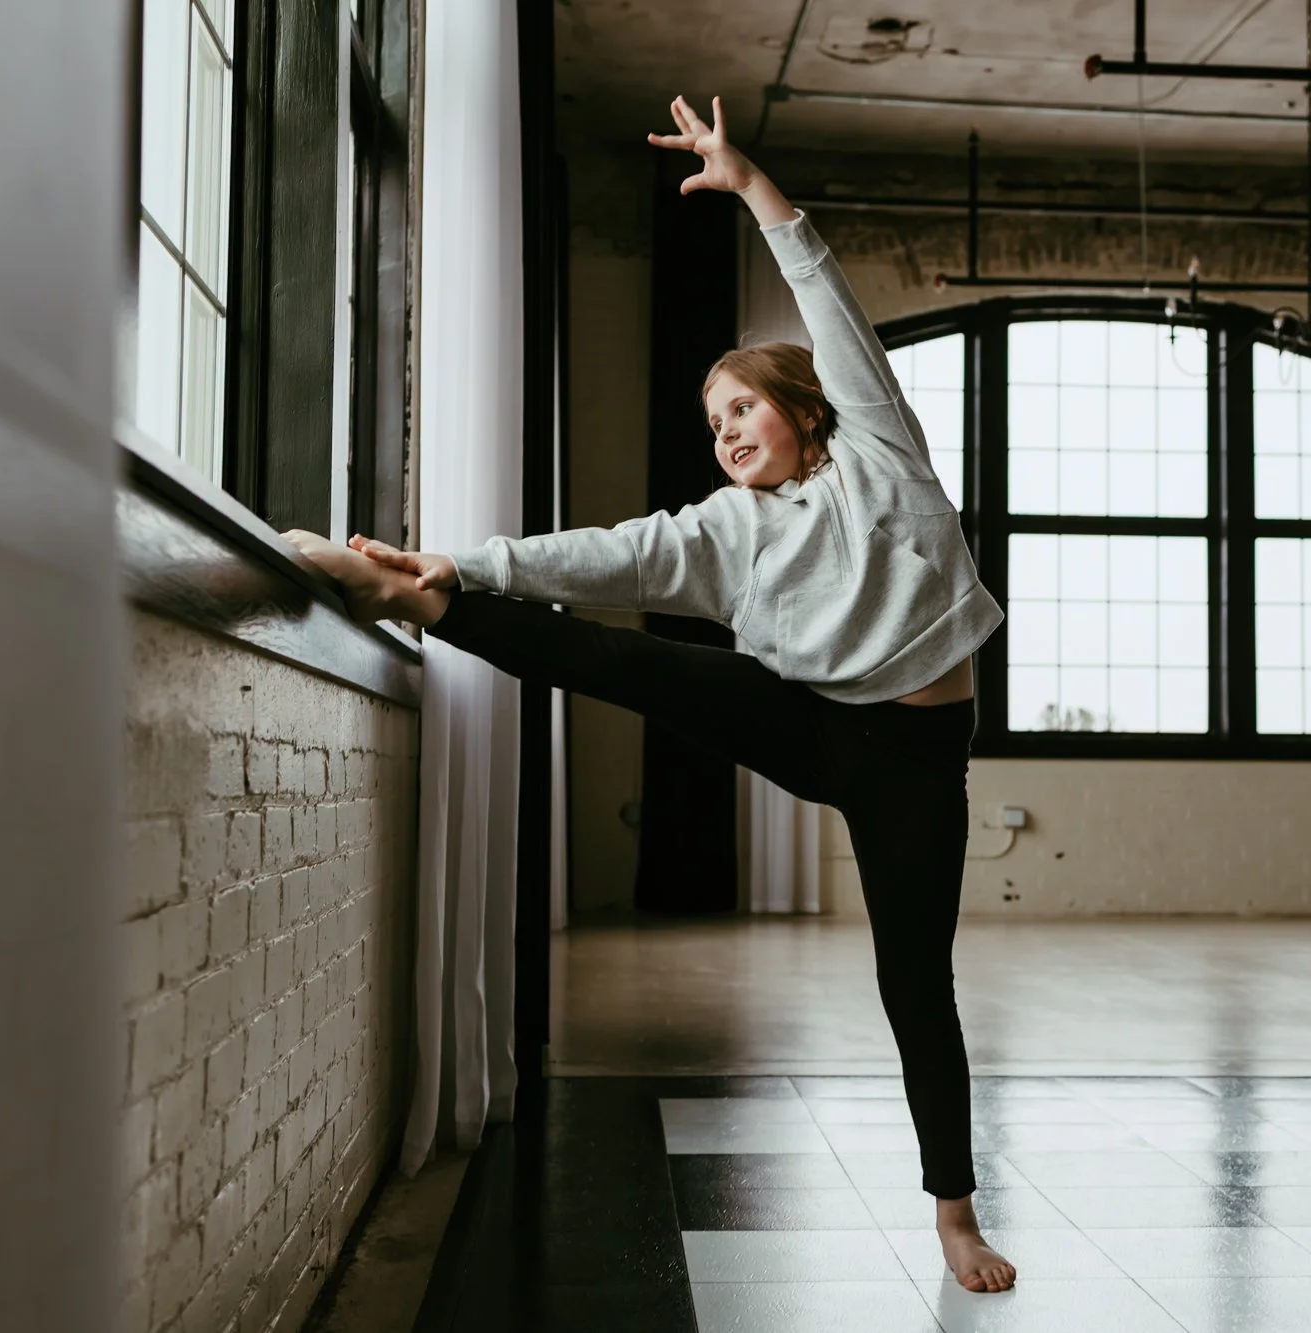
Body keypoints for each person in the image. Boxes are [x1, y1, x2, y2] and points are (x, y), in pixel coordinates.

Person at [285, 94, 1015, 1294]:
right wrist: (464, 563)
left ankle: (952, 1212)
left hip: (916, 761)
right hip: (807, 724)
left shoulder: (881, 449)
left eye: (744, 405)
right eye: (712, 418)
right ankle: (414, 596)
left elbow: (824, 292)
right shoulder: (726, 529)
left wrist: (748, 184)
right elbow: (608, 554)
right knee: (630, 661)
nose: (726, 428)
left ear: (805, 405)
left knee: (911, 980)